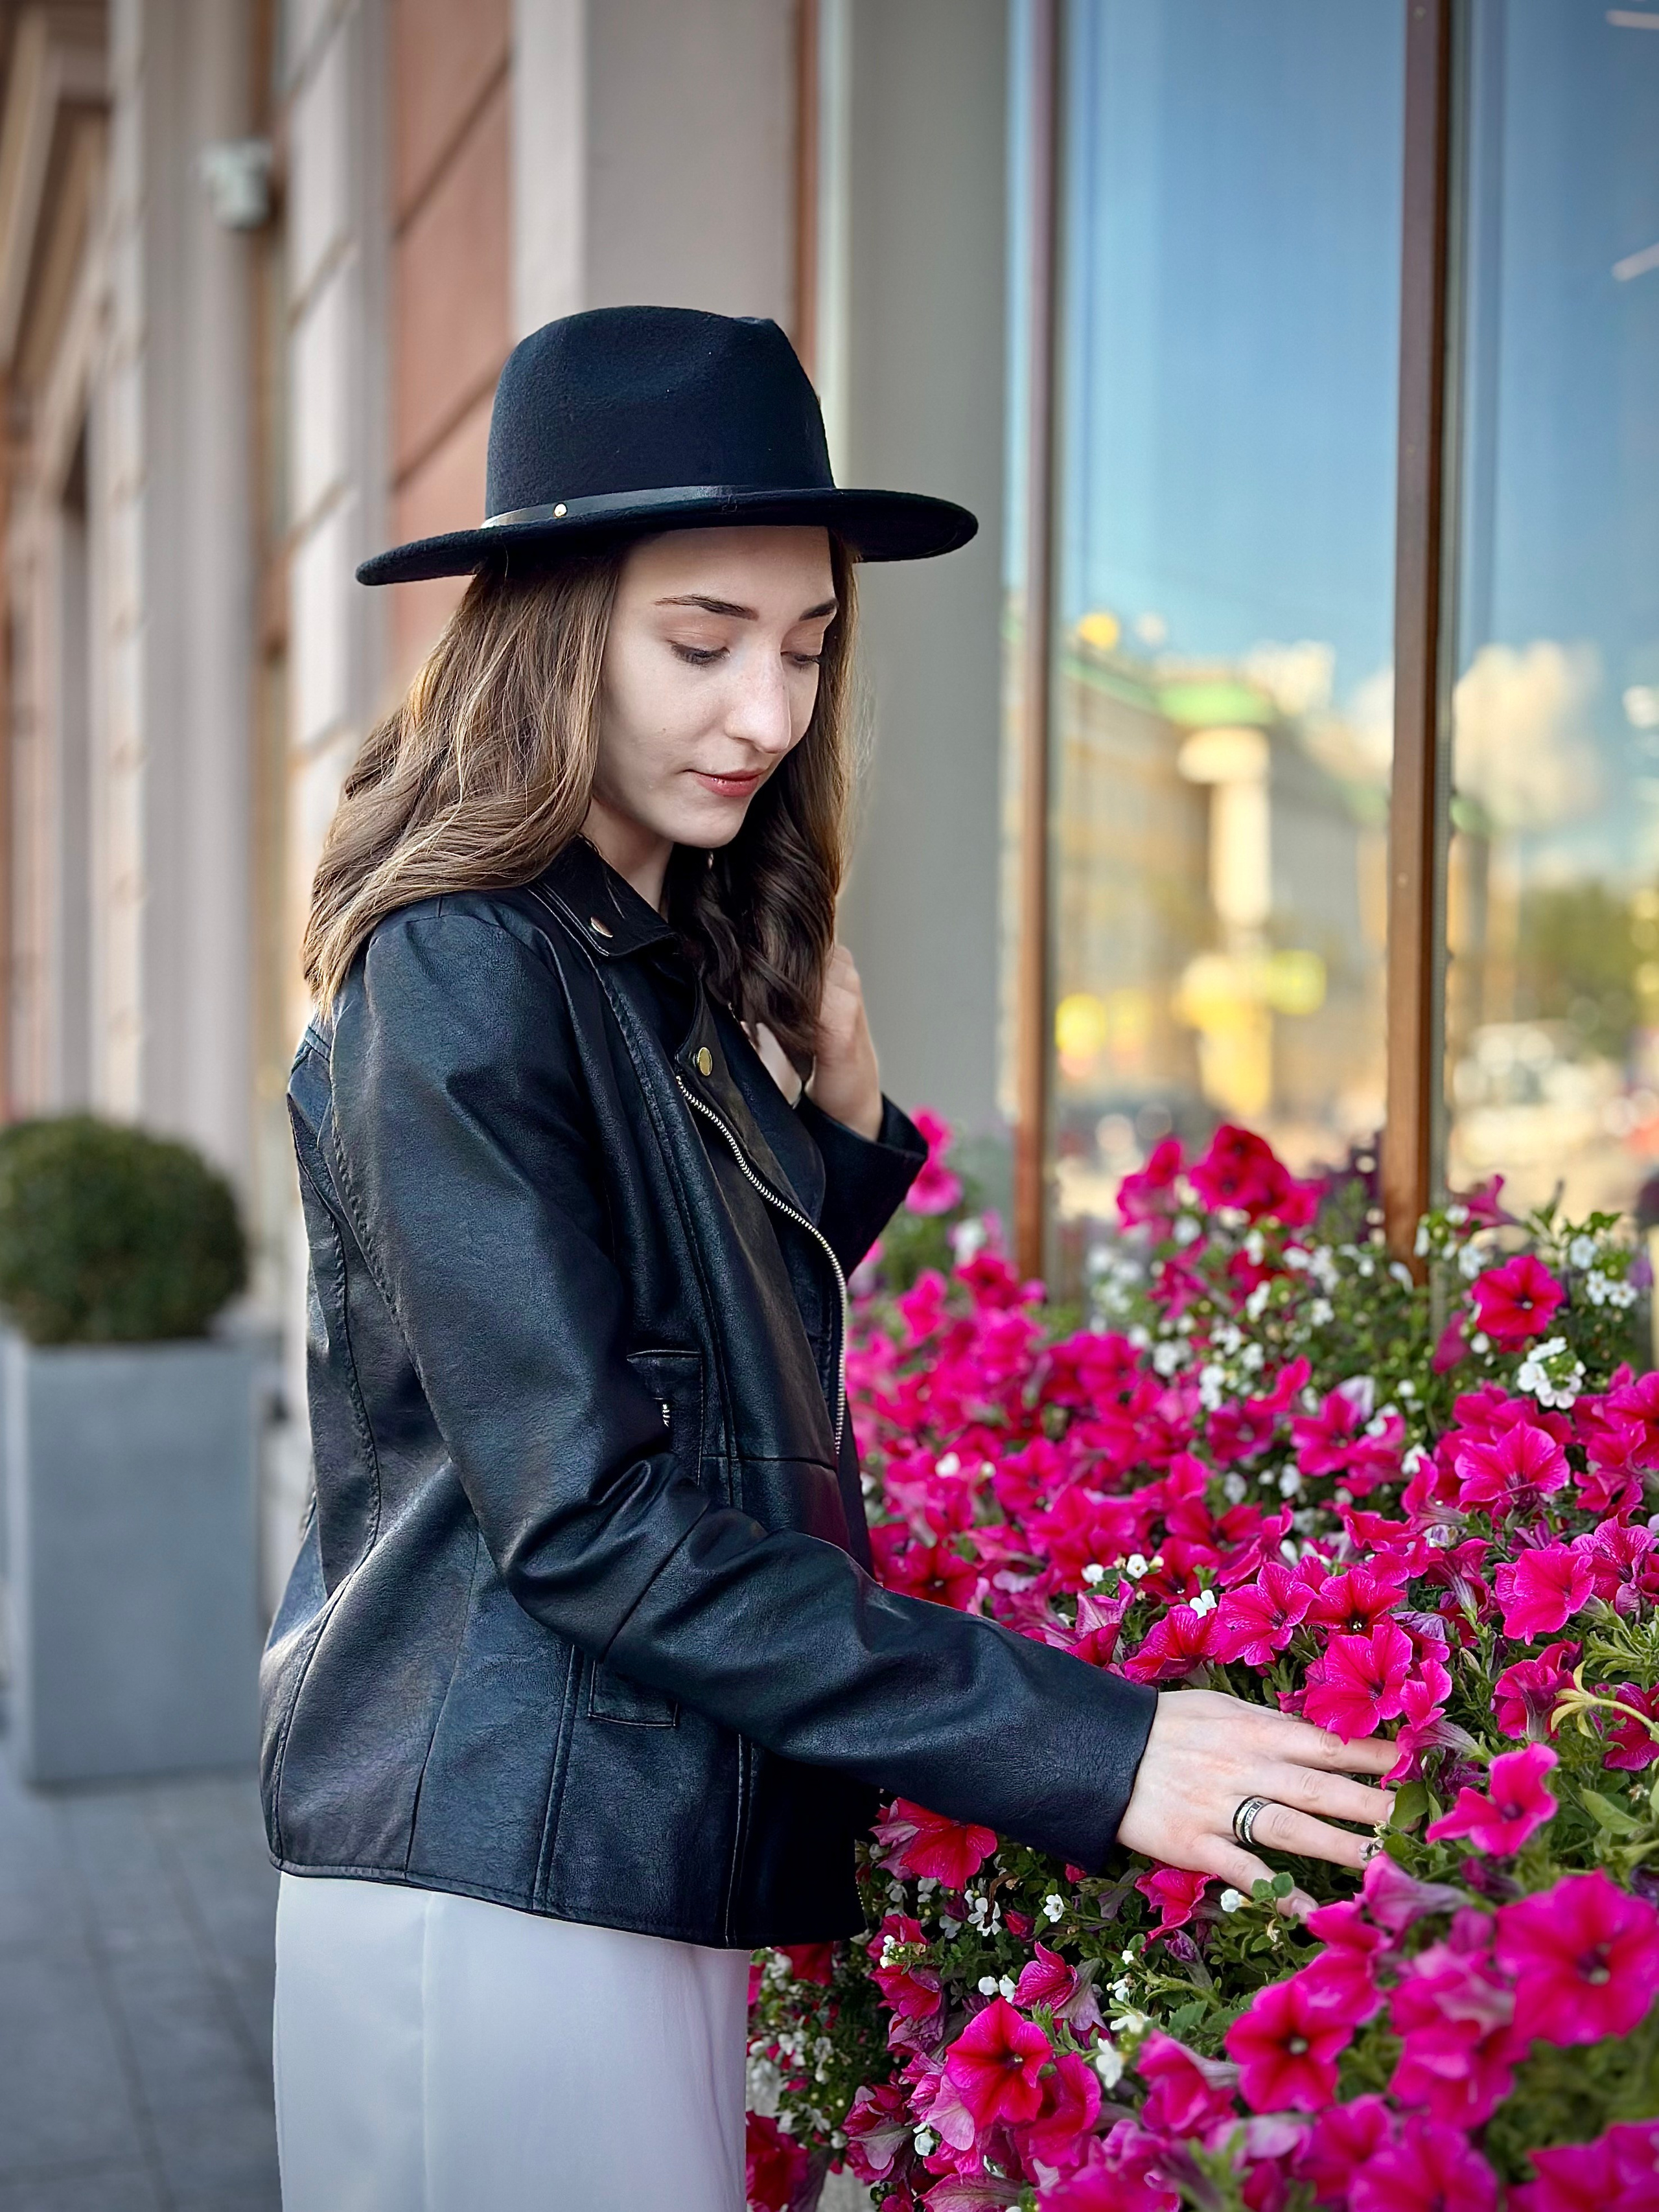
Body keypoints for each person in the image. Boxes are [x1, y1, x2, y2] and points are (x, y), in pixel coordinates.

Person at [262, 306, 1394, 2212]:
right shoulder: (468, 962)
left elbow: (682, 1350)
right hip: (503, 1875)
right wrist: (1095, 1750)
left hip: (611, 1843)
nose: (771, 716)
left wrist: (840, 1133)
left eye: (804, 649)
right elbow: (594, 1518)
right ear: (553, 631)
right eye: (703, 644)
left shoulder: (630, 959)